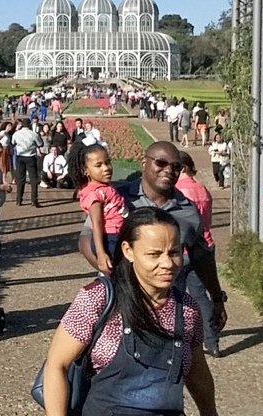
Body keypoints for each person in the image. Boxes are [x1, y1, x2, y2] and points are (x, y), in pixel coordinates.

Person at [44, 207, 220, 416]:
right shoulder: (99, 298)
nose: (167, 264)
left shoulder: (188, 310)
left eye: (173, 253)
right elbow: (56, 365)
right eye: (154, 254)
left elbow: (197, 374)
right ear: (128, 251)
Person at [79, 141, 228, 332]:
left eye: (176, 167)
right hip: (121, 306)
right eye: (160, 163)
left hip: (167, 310)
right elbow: (86, 239)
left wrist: (217, 298)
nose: (168, 170)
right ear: (144, 163)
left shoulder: (189, 211)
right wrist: (107, 269)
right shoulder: (117, 197)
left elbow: (201, 257)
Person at [176, 151, 221, 358]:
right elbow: (207, 222)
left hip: (181, 249)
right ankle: (212, 342)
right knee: (201, 296)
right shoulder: (203, 189)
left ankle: (175, 340)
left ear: (181, 168)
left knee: (173, 297)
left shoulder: (177, 191)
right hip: (203, 247)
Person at [73, 143, 128, 274]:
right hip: (110, 239)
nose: (106, 168)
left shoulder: (105, 187)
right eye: (98, 165)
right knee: (118, 275)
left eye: (108, 162)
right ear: (85, 171)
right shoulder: (95, 194)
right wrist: (101, 253)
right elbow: (97, 223)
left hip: (117, 235)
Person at [11, 118, 42, 207]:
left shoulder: (16, 134)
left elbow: (13, 142)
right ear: (30, 125)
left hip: (20, 157)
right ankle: (34, 200)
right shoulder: (33, 134)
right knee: (33, 179)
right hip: (30, 157)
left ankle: (19, 200)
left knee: (20, 179)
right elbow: (40, 144)